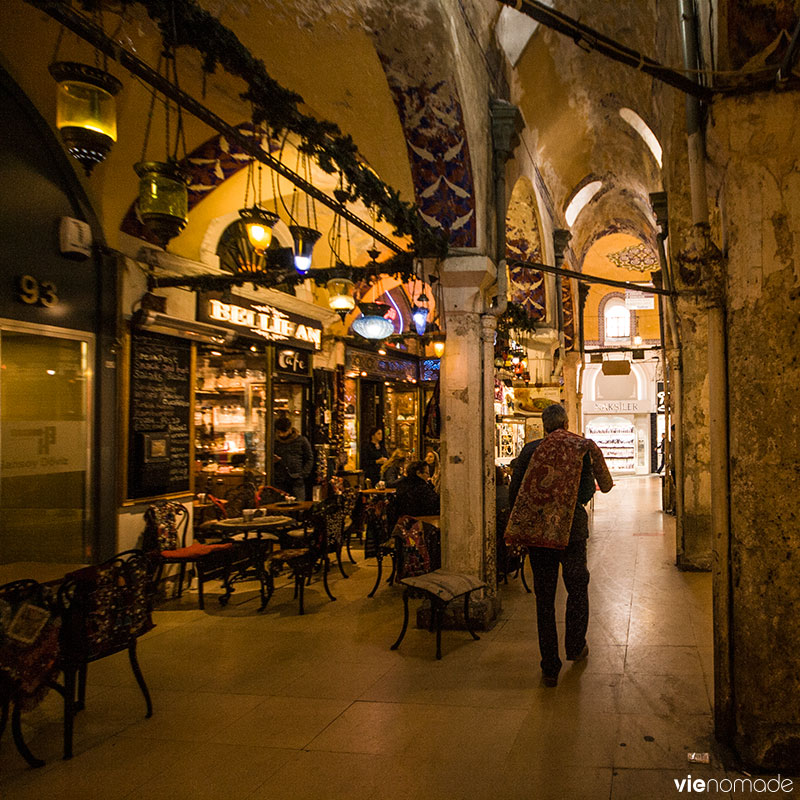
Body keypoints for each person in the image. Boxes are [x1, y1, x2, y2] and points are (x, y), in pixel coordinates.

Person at [506, 403, 613, 687]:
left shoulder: (530, 451)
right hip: (572, 531)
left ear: (544, 425)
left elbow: (516, 491)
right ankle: (576, 647)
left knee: (545, 598)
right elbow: (590, 490)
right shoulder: (580, 448)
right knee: (577, 587)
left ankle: (550, 667)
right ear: (565, 423)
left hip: (539, 534)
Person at [273, 416, 314, 500]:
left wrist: (303, 474)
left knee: (299, 503)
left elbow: (309, 458)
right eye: (279, 432)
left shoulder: (301, 440)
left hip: (297, 479)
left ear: (290, 429)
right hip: (280, 479)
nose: (281, 434)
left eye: (284, 432)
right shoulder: (275, 441)